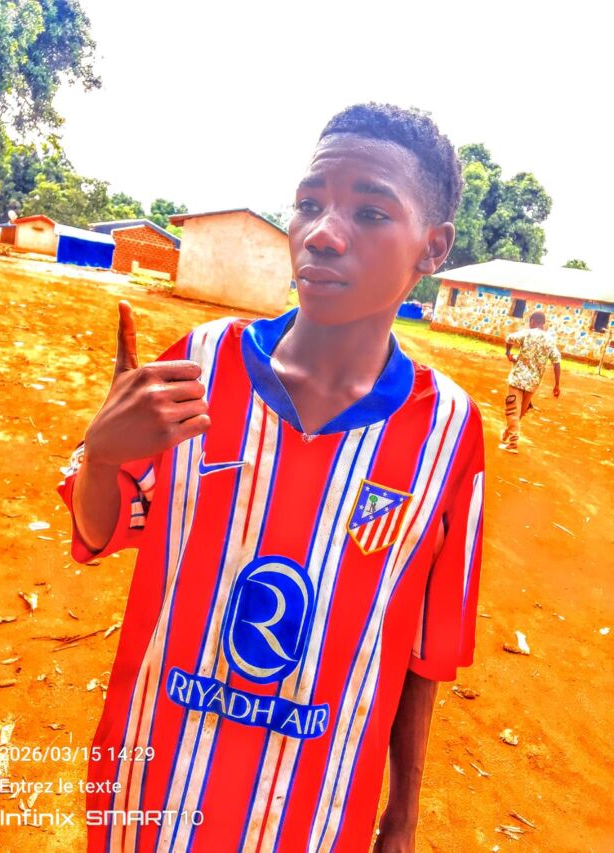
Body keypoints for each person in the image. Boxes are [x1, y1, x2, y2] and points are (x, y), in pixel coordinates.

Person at [60, 103, 485, 853]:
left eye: (370, 212)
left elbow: (423, 646)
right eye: (309, 203)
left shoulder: (447, 431)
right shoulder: (199, 365)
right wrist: (101, 454)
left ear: (433, 246)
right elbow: (99, 530)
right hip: (149, 789)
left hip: (316, 815)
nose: (322, 232)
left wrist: (402, 816)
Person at [499, 311, 561, 454]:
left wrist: (508, 353)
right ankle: (507, 433)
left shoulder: (527, 333)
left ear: (532, 321)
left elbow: (509, 338)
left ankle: (513, 444)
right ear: (543, 323)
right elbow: (557, 362)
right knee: (519, 413)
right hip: (533, 383)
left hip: (518, 379)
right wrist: (557, 385)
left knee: (513, 411)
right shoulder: (550, 340)